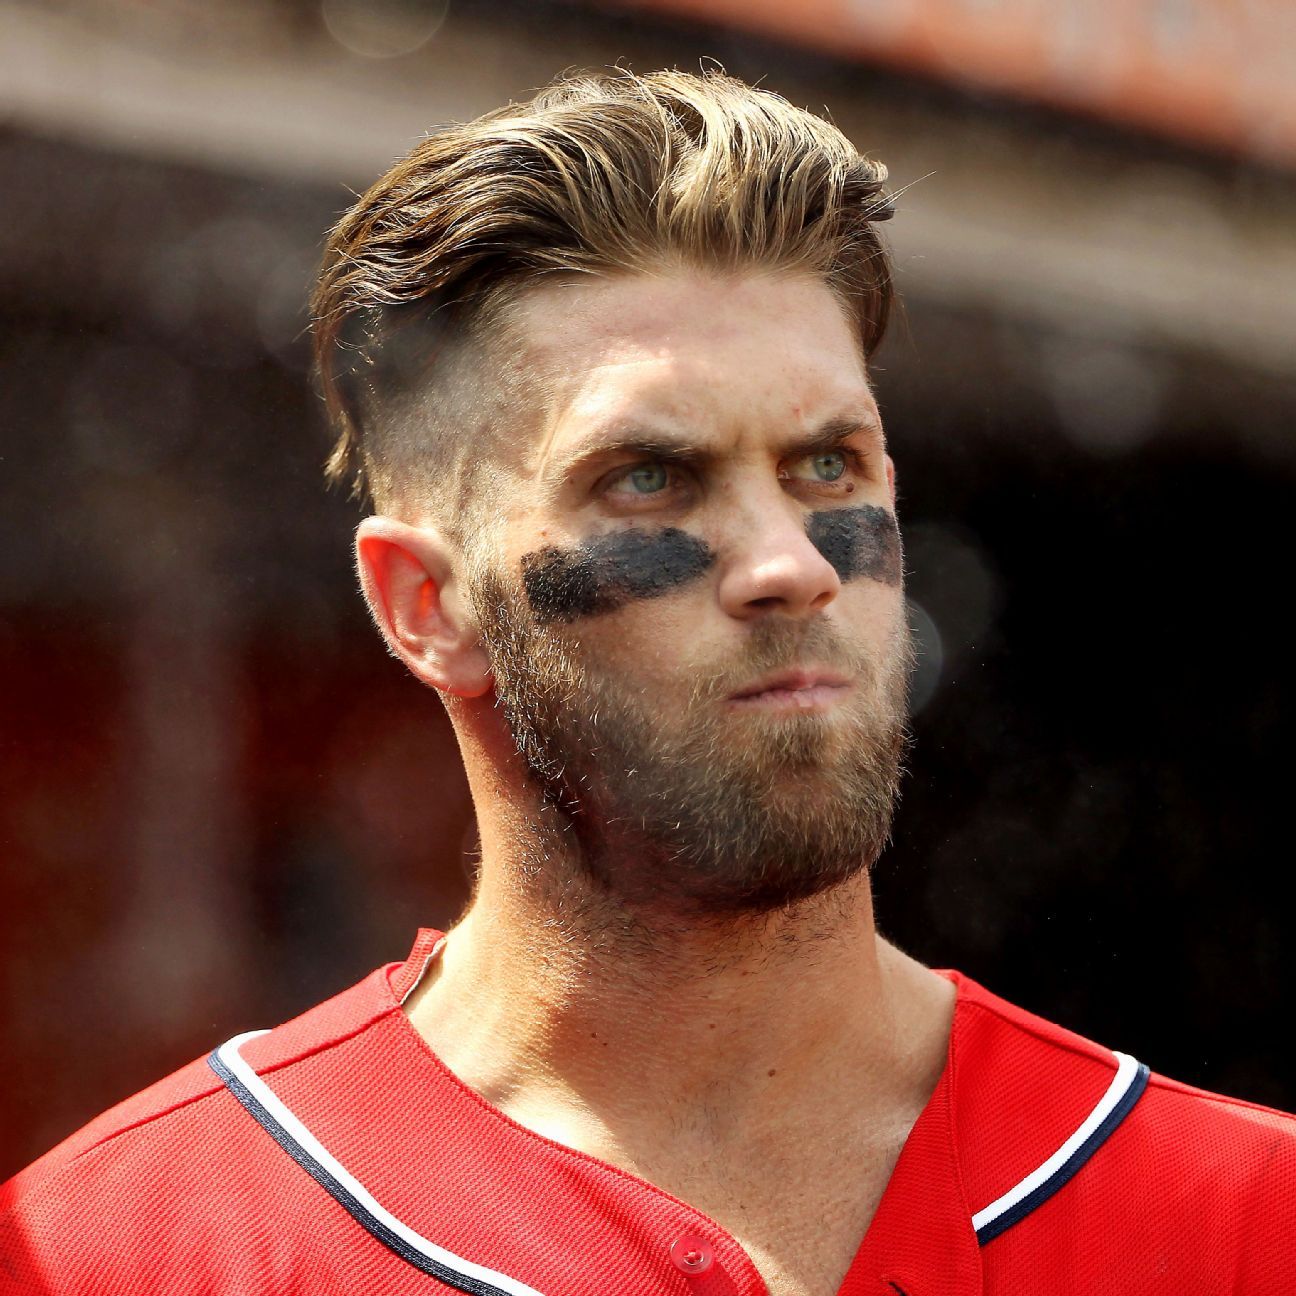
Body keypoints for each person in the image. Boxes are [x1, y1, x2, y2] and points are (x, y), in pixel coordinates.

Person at [2, 68, 1293, 1296]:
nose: (790, 566)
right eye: (649, 478)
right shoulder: (122, 1252)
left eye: (829, 466)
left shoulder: (1250, 1223)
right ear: (427, 607)